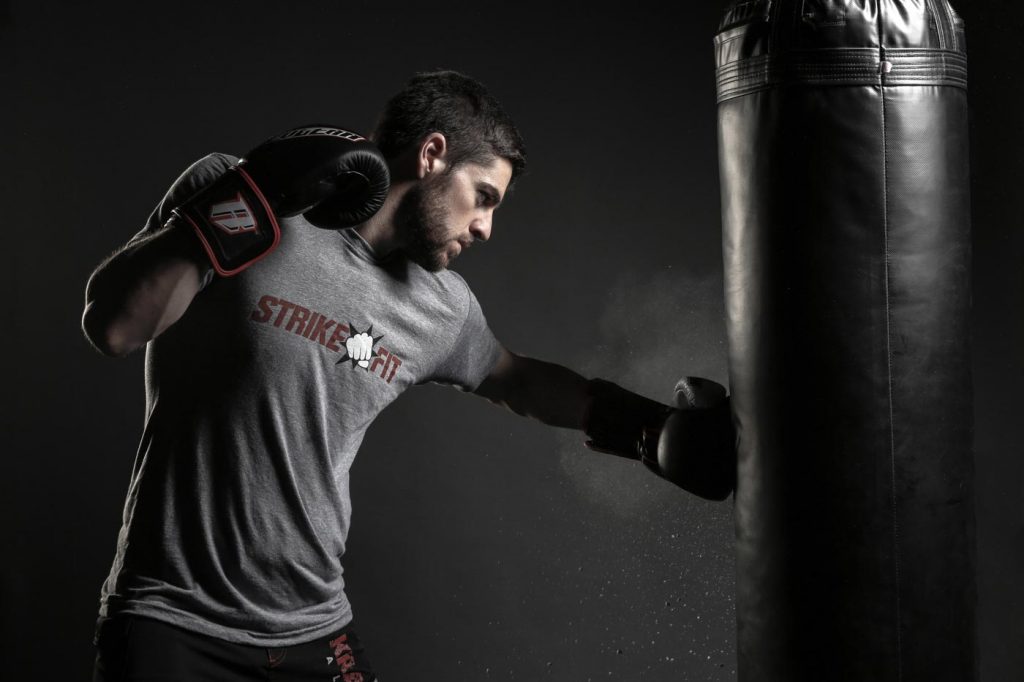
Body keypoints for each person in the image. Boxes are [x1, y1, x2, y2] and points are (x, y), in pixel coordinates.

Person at [82, 70, 733, 682]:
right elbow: (113, 326)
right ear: (432, 156)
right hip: (172, 620)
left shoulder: (440, 307)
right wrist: (234, 208)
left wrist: (649, 427)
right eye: (483, 197)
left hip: (315, 629)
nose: (486, 226)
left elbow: (518, 380)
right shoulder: (240, 188)